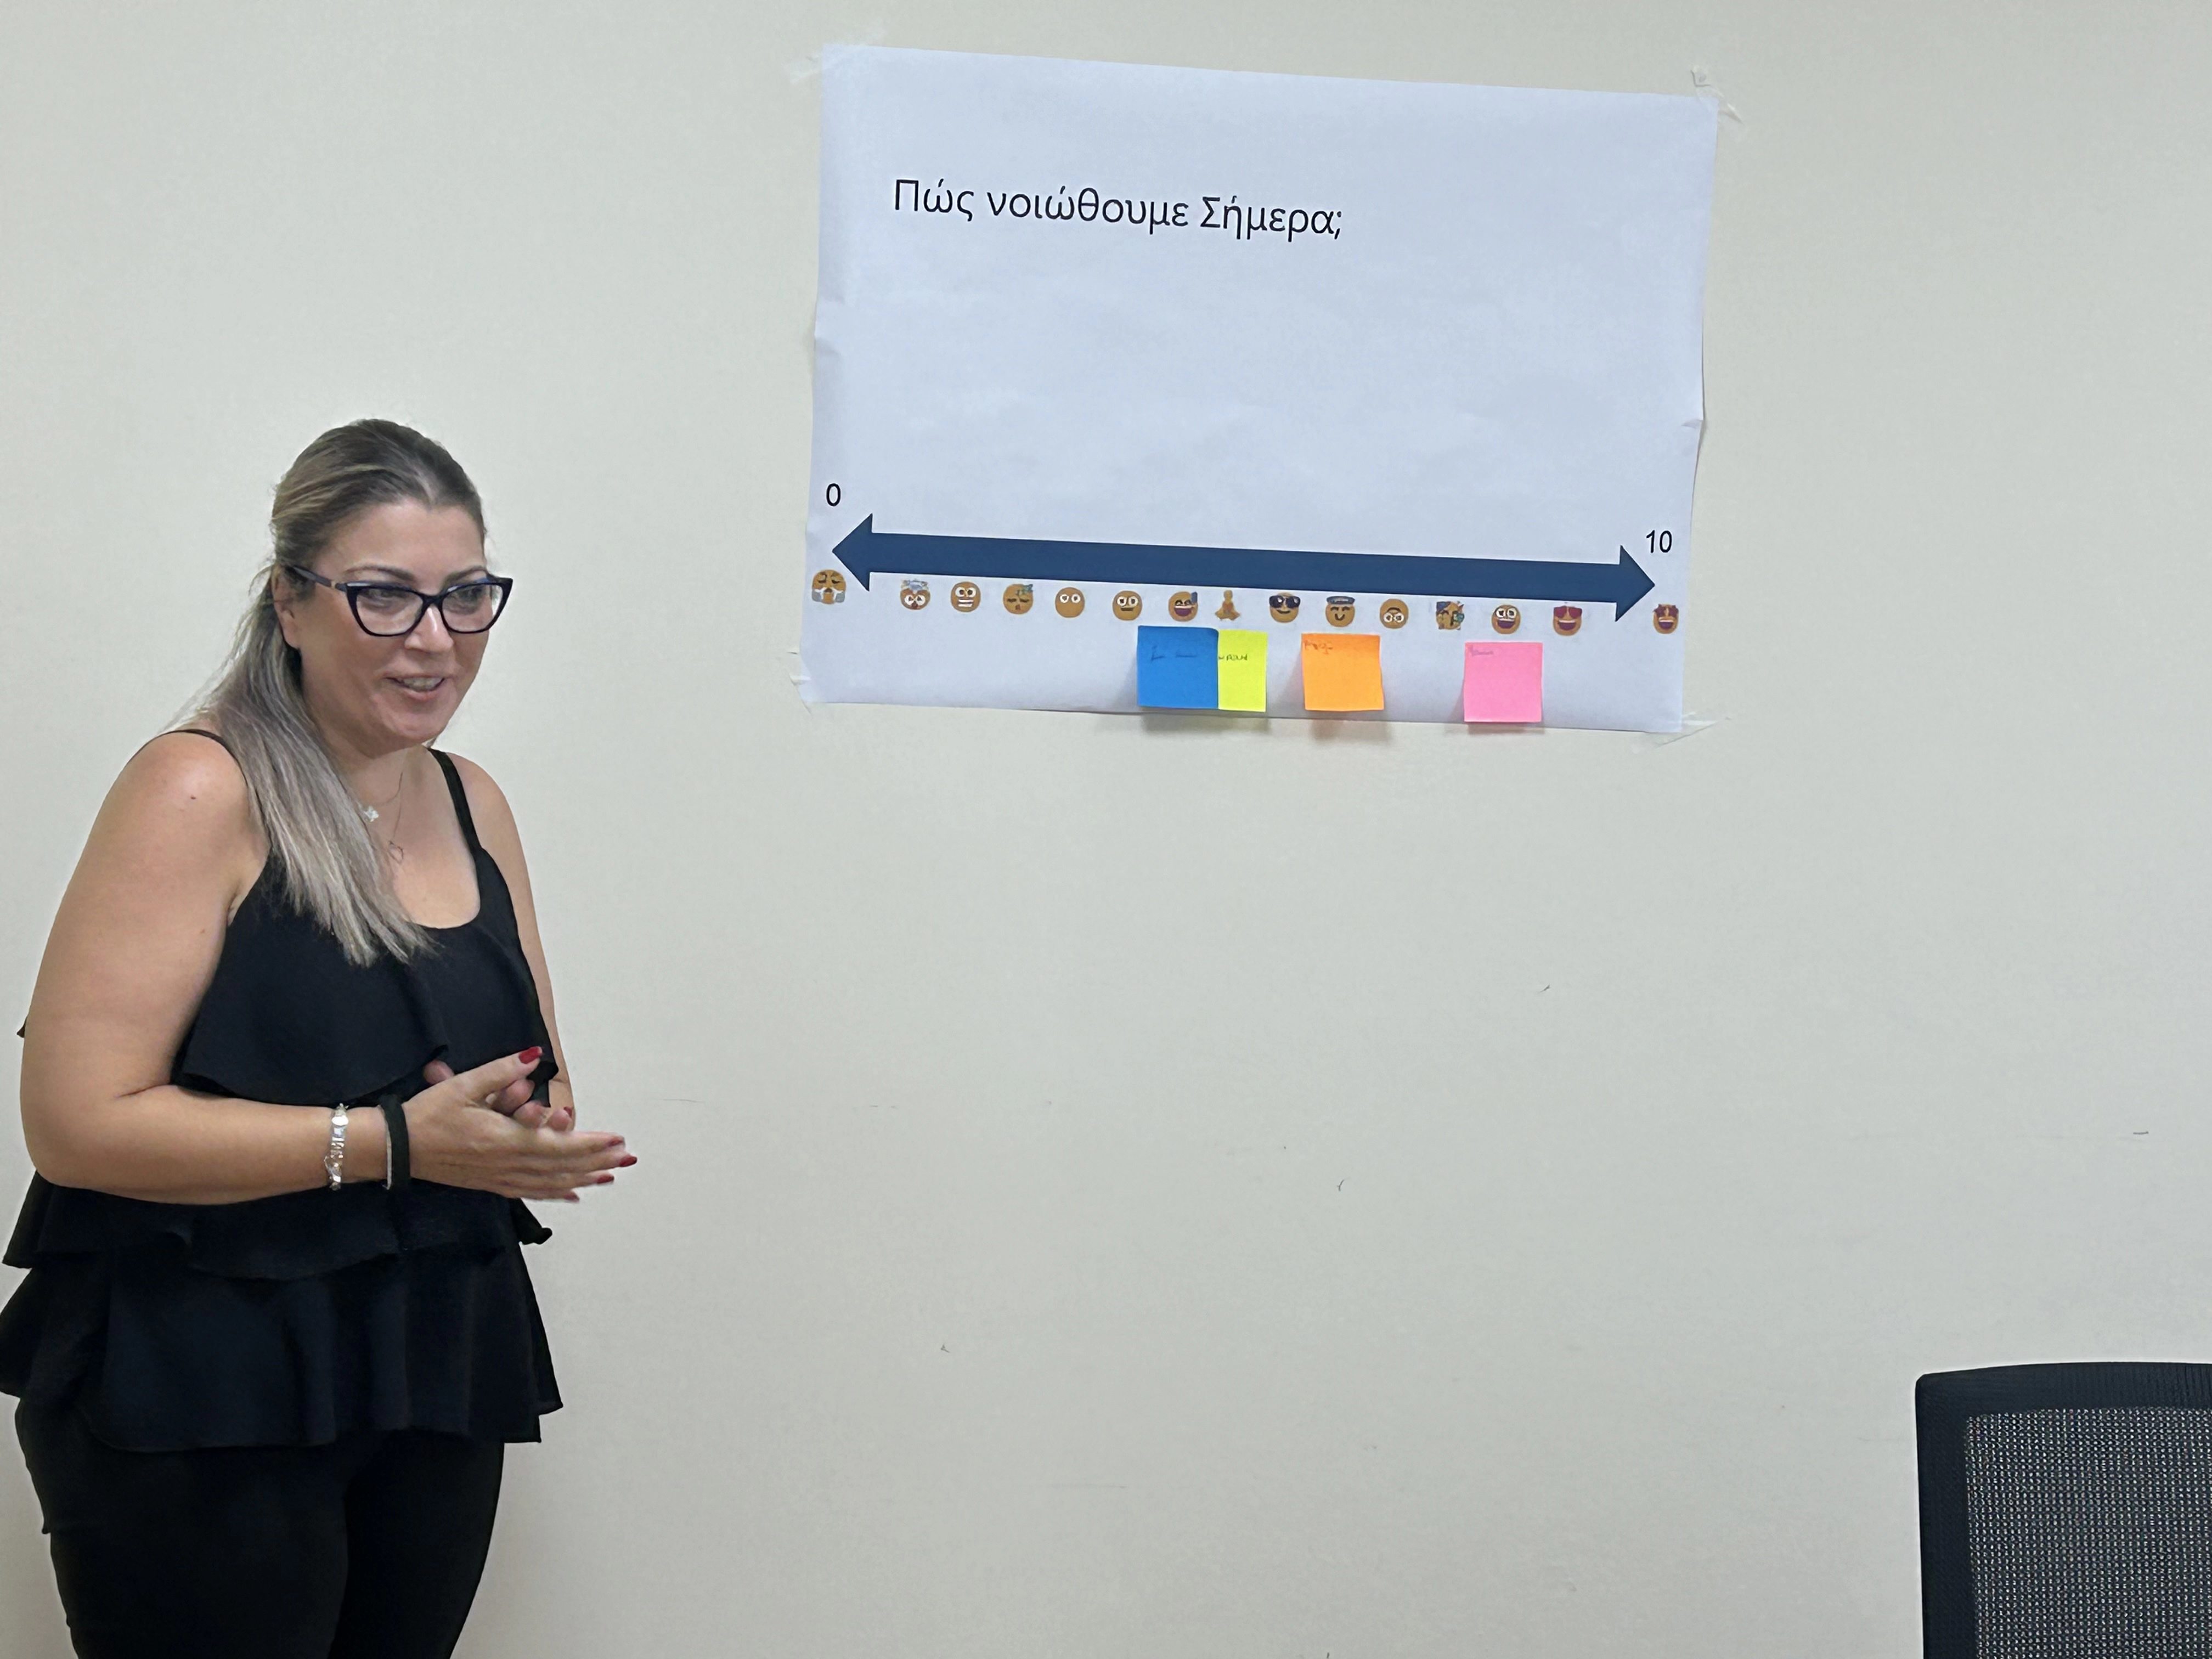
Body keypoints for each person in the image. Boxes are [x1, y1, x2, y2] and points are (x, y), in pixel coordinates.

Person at [0, 419, 634, 1658]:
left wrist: (526, 1133)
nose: (436, 638)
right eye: (384, 597)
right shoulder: (199, 789)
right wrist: (395, 1142)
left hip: (434, 1356)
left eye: (465, 596)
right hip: (202, 1376)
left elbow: (531, 1074)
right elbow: (75, 1125)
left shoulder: (473, 800)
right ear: (289, 602)